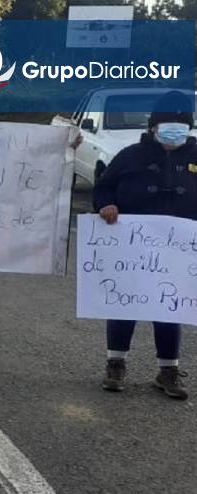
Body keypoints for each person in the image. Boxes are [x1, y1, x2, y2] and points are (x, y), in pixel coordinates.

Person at [92, 89, 197, 400]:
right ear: (153, 126)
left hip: (178, 251)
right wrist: (106, 205)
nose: (174, 131)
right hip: (131, 248)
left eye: (182, 125)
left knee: (169, 308)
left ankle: (168, 371)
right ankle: (116, 364)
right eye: (167, 124)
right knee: (125, 304)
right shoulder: (129, 156)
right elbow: (103, 188)